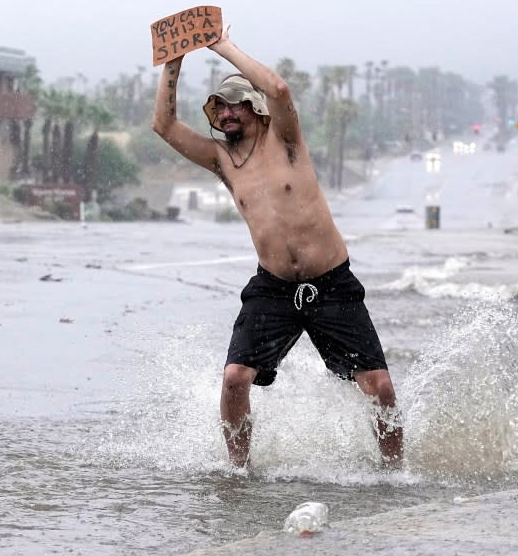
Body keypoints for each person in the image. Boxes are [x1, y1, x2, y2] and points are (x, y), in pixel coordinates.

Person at [151, 25, 403, 468]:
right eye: (219, 108)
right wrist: (174, 61)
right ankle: (239, 471)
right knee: (234, 379)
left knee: (380, 387)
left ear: (256, 107)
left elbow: (281, 88)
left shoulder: (285, 141)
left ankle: (396, 474)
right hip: (273, 288)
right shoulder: (221, 159)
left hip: (333, 284)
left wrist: (219, 46)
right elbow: (164, 125)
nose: (226, 113)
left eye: (235, 104)